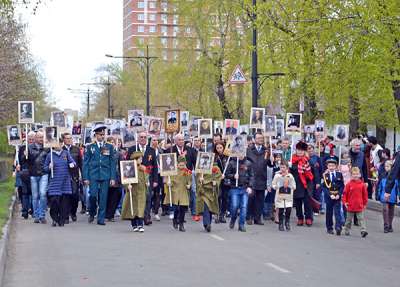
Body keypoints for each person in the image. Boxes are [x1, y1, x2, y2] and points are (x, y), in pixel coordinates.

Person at [82, 124, 117, 226]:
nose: (102, 136)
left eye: (103, 134)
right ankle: (92, 212)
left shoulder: (109, 146)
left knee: (103, 197)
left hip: (105, 175)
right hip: (93, 175)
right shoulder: (90, 147)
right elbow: (86, 163)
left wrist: (112, 177)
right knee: (92, 196)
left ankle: (101, 218)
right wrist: (86, 177)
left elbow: (112, 163)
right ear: (96, 135)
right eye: (100, 134)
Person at [44, 140, 76, 227]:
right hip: (54, 183)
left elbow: (73, 162)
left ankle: (61, 220)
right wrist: (49, 167)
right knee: (54, 202)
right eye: (58, 143)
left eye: (61, 143)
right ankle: (55, 218)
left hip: (65, 182)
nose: (60, 145)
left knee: (64, 204)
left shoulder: (66, 153)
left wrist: (72, 164)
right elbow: (45, 169)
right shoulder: (49, 155)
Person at [246, 132, 271, 225]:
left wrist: (272, 160)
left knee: (260, 200)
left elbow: (270, 164)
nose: (261, 139)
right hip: (252, 178)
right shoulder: (249, 150)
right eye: (258, 138)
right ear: (254, 139)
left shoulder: (266, 150)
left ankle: (257, 218)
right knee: (251, 198)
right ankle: (249, 217)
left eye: (262, 138)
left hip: (262, 177)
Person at [225, 155, 254, 232]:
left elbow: (251, 176)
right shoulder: (231, 163)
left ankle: (241, 224)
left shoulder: (248, 163)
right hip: (235, 188)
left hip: (245, 188)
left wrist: (250, 186)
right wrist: (233, 176)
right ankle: (233, 218)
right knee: (234, 206)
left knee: (244, 207)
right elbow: (226, 174)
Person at [121, 152, 148, 232]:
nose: (141, 160)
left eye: (141, 159)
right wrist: (127, 186)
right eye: (139, 159)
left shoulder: (143, 168)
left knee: (140, 208)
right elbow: (125, 179)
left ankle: (140, 224)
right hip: (132, 192)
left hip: (141, 191)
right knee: (132, 208)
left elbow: (146, 177)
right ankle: (134, 225)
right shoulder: (129, 168)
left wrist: (147, 182)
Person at [163, 156, 192, 232]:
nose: (181, 167)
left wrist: (189, 184)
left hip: (183, 191)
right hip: (174, 191)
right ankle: (175, 220)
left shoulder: (187, 171)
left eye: (183, 165)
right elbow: (169, 180)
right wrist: (168, 183)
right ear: (177, 164)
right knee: (176, 208)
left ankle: (181, 224)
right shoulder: (173, 171)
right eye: (180, 165)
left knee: (182, 208)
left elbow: (189, 180)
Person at [28, 131, 49, 224]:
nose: (41, 139)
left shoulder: (47, 148)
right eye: (39, 137)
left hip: (44, 173)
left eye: (42, 137)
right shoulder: (29, 148)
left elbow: (49, 159)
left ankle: (42, 215)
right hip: (33, 174)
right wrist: (24, 156)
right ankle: (36, 215)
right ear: (35, 138)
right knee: (35, 196)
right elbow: (24, 161)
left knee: (43, 194)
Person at [291, 141, 314, 226]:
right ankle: (300, 218)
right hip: (297, 184)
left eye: (301, 150)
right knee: (298, 202)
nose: (300, 152)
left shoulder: (309, 160)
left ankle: (308, 218)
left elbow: (314, 173)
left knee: (307, 202)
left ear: (305, 151)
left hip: (307, 184)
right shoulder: (292, 160)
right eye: (298, 150)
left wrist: (317, 183)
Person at [195, 162, 222, 232]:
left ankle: (207, 223)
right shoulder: (201, 167)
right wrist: (200, 179)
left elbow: (218, 177)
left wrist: (215, 182)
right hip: (203, 190)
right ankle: (207, 223)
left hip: (211, 191)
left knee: (210, 207)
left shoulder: (216, 168)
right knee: (206, 206)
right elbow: (197, 177)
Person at [342, 167, 368, 237]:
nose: (355, 175)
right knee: (348, 220)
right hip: (350, 205)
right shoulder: (348, 184)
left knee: (361, 219)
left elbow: (365, 195)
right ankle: (347, 230)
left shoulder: (362, 185)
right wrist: (345, 202)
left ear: (359, 175)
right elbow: (344, 194)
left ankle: (363, 230)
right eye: (354, 174)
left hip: (359, 205)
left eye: (357, 174)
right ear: (351, 175)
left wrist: (365, 203)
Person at [321, 157, 345, 235]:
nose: (331, 167)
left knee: (337, 212)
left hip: (337, 196)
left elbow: (342, 186)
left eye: (333, 166)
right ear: (327, 166)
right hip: (329, 197)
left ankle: (338, 227)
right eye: (329, 165)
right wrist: (330, 194)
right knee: (329, 212)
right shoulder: (325, 175)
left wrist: (339, 194)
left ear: (336, 166)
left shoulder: (339, 174)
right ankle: (329, 228)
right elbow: (324, 187)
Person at [272, 161, 295, 231]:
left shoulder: (290, 176)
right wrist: (276, 186)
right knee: (281, 210)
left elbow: (294, 185)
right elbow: (273, 184)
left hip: (288, 196)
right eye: (281, 167)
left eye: (284, 167)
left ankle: (287, 222)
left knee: (288, 209)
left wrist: (290, 186)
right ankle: (280, 223)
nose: (282, 169)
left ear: (287, 168)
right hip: (280, 195)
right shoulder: (277, 175)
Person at [376, 160, 398, 233]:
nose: (386, 167)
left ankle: (390, 225)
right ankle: (386, 225)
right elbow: (379, 186)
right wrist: (378, 195)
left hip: (393, 196)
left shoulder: (396, 176)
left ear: (392, 167)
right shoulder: (382, 175)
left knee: (391, 211)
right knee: (385, 209)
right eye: (385, 166)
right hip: (384, 196)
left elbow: (398, 187)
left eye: (388, 166)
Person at [214, 142, 230, 223]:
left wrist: (226, 175)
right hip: (217, 180)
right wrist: (218, 176)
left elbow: (230, 167)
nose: (219, 149)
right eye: (218, 148)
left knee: (225, 198)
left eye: (221, 147)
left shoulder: (228, 157)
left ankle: (222, 214)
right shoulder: (214, 157)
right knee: (218, 197)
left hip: (226, 180)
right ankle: (217, 214)